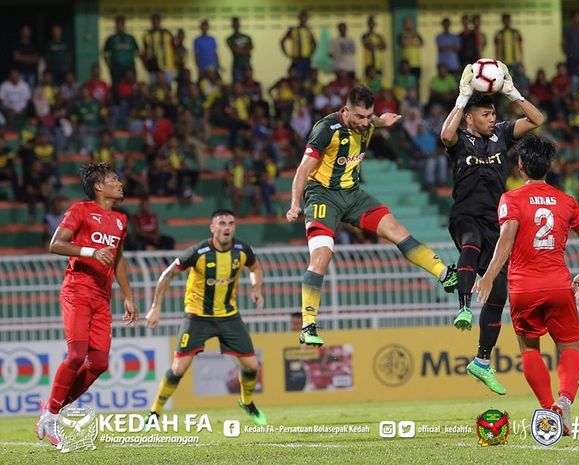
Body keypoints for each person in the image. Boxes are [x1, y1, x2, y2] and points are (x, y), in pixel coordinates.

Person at [286, 85, 457, 346]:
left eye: (369, 117)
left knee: (396, 229)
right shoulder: (325, 130)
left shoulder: (367, 121)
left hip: (353, 194)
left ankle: (444, 274)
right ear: (346, 111)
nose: (365, 124)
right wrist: (295, 204)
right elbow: (302, 170)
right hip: (322, 196)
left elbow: (374, 120)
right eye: (359, 117)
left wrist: (384, 122)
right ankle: (308, 324)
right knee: (322, 256)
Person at [475, 134, 579, 435]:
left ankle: (548, 409)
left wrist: (490, 275)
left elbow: (506, 239)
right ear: (549, 167)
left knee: (530, 349)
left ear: (520, 166)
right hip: (558, 285)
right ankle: (565, 399)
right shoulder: (566, 201)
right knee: (570, 347)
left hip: (523, 288)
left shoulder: (511, 199)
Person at [439, 61, 544, 395]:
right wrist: (462, 98)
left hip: (495, 220)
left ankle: (482, 361)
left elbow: (538, 120)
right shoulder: (459, 139)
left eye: (493, 114)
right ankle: (465, 308)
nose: (492, 119)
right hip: (465, 215)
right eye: (486, 115)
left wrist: (513, 92)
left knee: (500, 291)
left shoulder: (501, 134)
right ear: (470, 118)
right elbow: (445, 134)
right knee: (469, 245)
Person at [35, 163, 139, 447]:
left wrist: (128, 296)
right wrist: (91, 251)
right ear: (99, 187)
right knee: (76, 355)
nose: (120, 183)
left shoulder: (120, 220)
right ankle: (51, 415)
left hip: (102, 298)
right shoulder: (80, 210)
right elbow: (55, 244)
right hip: (77, 291)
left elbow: (117, 259)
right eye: (114, 179)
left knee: (100, 363)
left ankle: (53, 409)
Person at [145, 209, 266, 425]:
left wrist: (256, 288)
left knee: (252, 366)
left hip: (229, 316)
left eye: (230, 223)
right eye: (221, 223)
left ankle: (246, 402)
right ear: (212, 228)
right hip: (197, 317)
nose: (227, 227)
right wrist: (156, 307)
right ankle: (154, 412)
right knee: (177, 370)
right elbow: (168, 274)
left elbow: (255, 267)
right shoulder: (198, 252)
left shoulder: (242, 250)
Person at [280, 10, 316, 82]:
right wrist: (286, 54)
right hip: (296, 58)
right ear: (299, 18)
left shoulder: (308, 30)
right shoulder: (293, 30)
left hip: (306, 58)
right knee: (296, 77)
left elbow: (314, 43)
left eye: (305, 17)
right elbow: (282, 41)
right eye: (302, 17)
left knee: (307, 78)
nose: (304, 19)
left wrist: (311, 53)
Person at [226, 17, 253, 83]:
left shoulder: (247, 37)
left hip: (247, 64)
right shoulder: (230, 38)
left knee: (248, 83)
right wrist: (244, 49)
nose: (236, 25)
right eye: (234, 24)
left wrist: (240, 49)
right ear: (232, 25)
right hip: (237, 65)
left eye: (237, 23)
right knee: (237, 84)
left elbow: (250, 48)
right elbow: (235, 49)